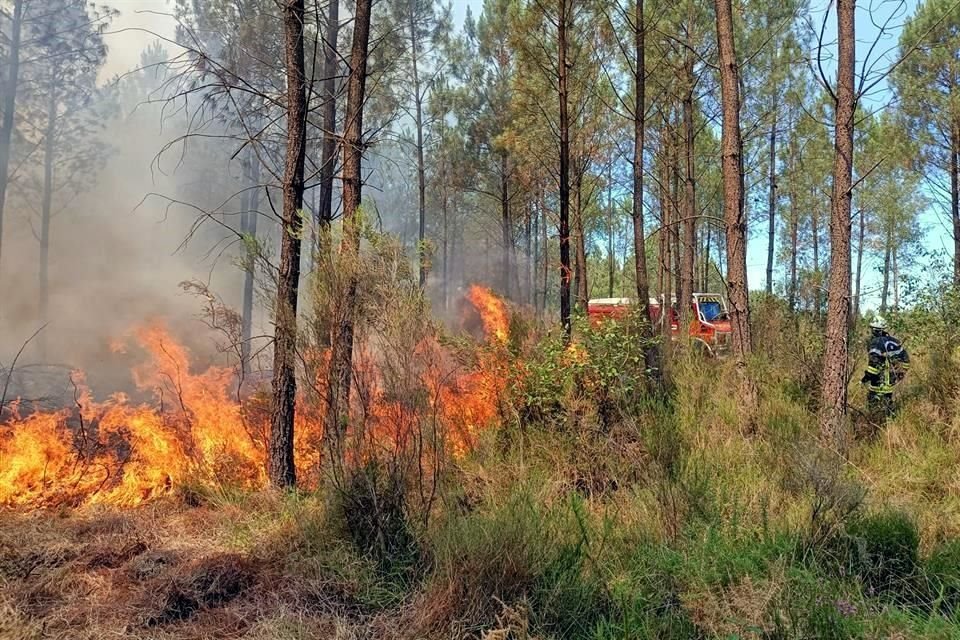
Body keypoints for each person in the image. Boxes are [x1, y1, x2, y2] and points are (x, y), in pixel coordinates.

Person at [860, 316, 910, 419]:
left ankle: (875, 422)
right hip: (892, 379)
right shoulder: (894, 341)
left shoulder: (876, 343)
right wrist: (901, 373)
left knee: (873, 400)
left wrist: (865, 379)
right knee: (888, 398)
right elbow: (906, 359)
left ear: (875, 330)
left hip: (880, 379)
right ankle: (890, 421)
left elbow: (874, 366)